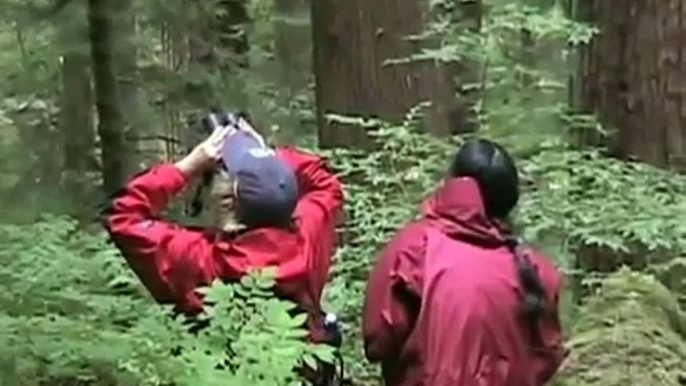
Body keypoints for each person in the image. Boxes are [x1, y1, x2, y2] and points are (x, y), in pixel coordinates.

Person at [102, 117, 344, 381]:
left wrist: (187, 167)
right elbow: (325, 181)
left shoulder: (198, 260)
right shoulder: (309, 237)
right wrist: (267, 158)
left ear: (226, 202)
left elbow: (122, 215)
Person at [362, 138, 566, 386]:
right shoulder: (536, 269)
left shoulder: (415, 248)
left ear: (453, 185)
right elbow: (549, 353)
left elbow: (379, 341)